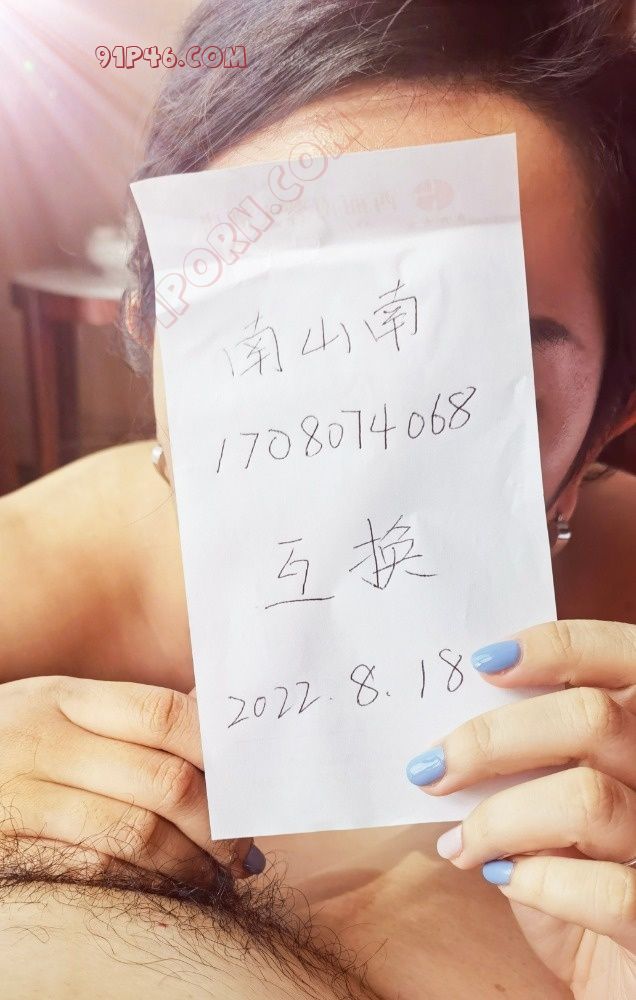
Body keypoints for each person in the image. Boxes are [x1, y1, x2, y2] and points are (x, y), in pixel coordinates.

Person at [0, 1, 635, 996]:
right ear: (151, 332)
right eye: (266, 337)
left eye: (478, 368)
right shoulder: (48, 568)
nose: (366, 444)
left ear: (610, 414)